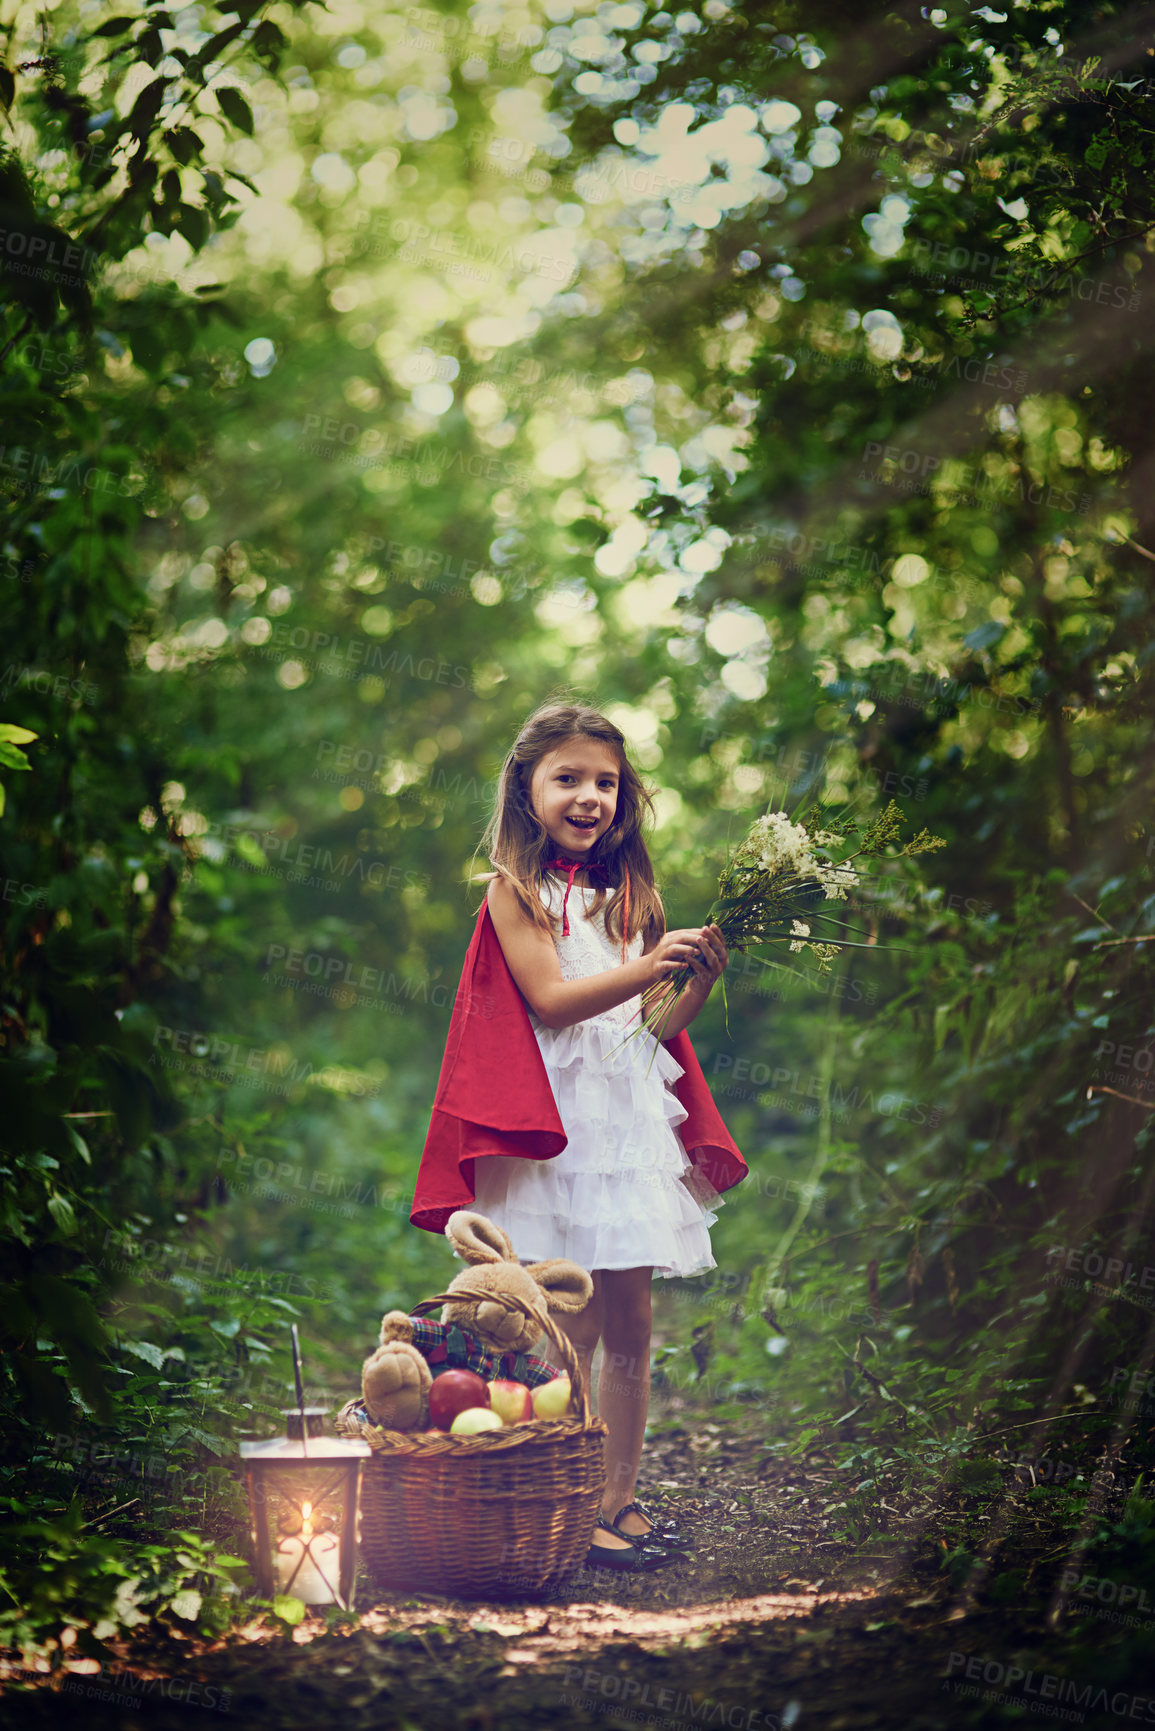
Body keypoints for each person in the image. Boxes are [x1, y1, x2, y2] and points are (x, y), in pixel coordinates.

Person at [410, 700, 746, 1572]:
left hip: (626, 1123)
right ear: (527, 788)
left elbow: (656, 1025)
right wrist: (654, 959)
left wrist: (694, 978)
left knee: (631, 1319)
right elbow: (552, 1001)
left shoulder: (634, 897)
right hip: (550, 1128)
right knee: (567, 1321)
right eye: (567, 777)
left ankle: (617, 1498)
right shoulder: (511, 893)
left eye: (604, 780)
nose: (588, 794)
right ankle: (558, 1496)